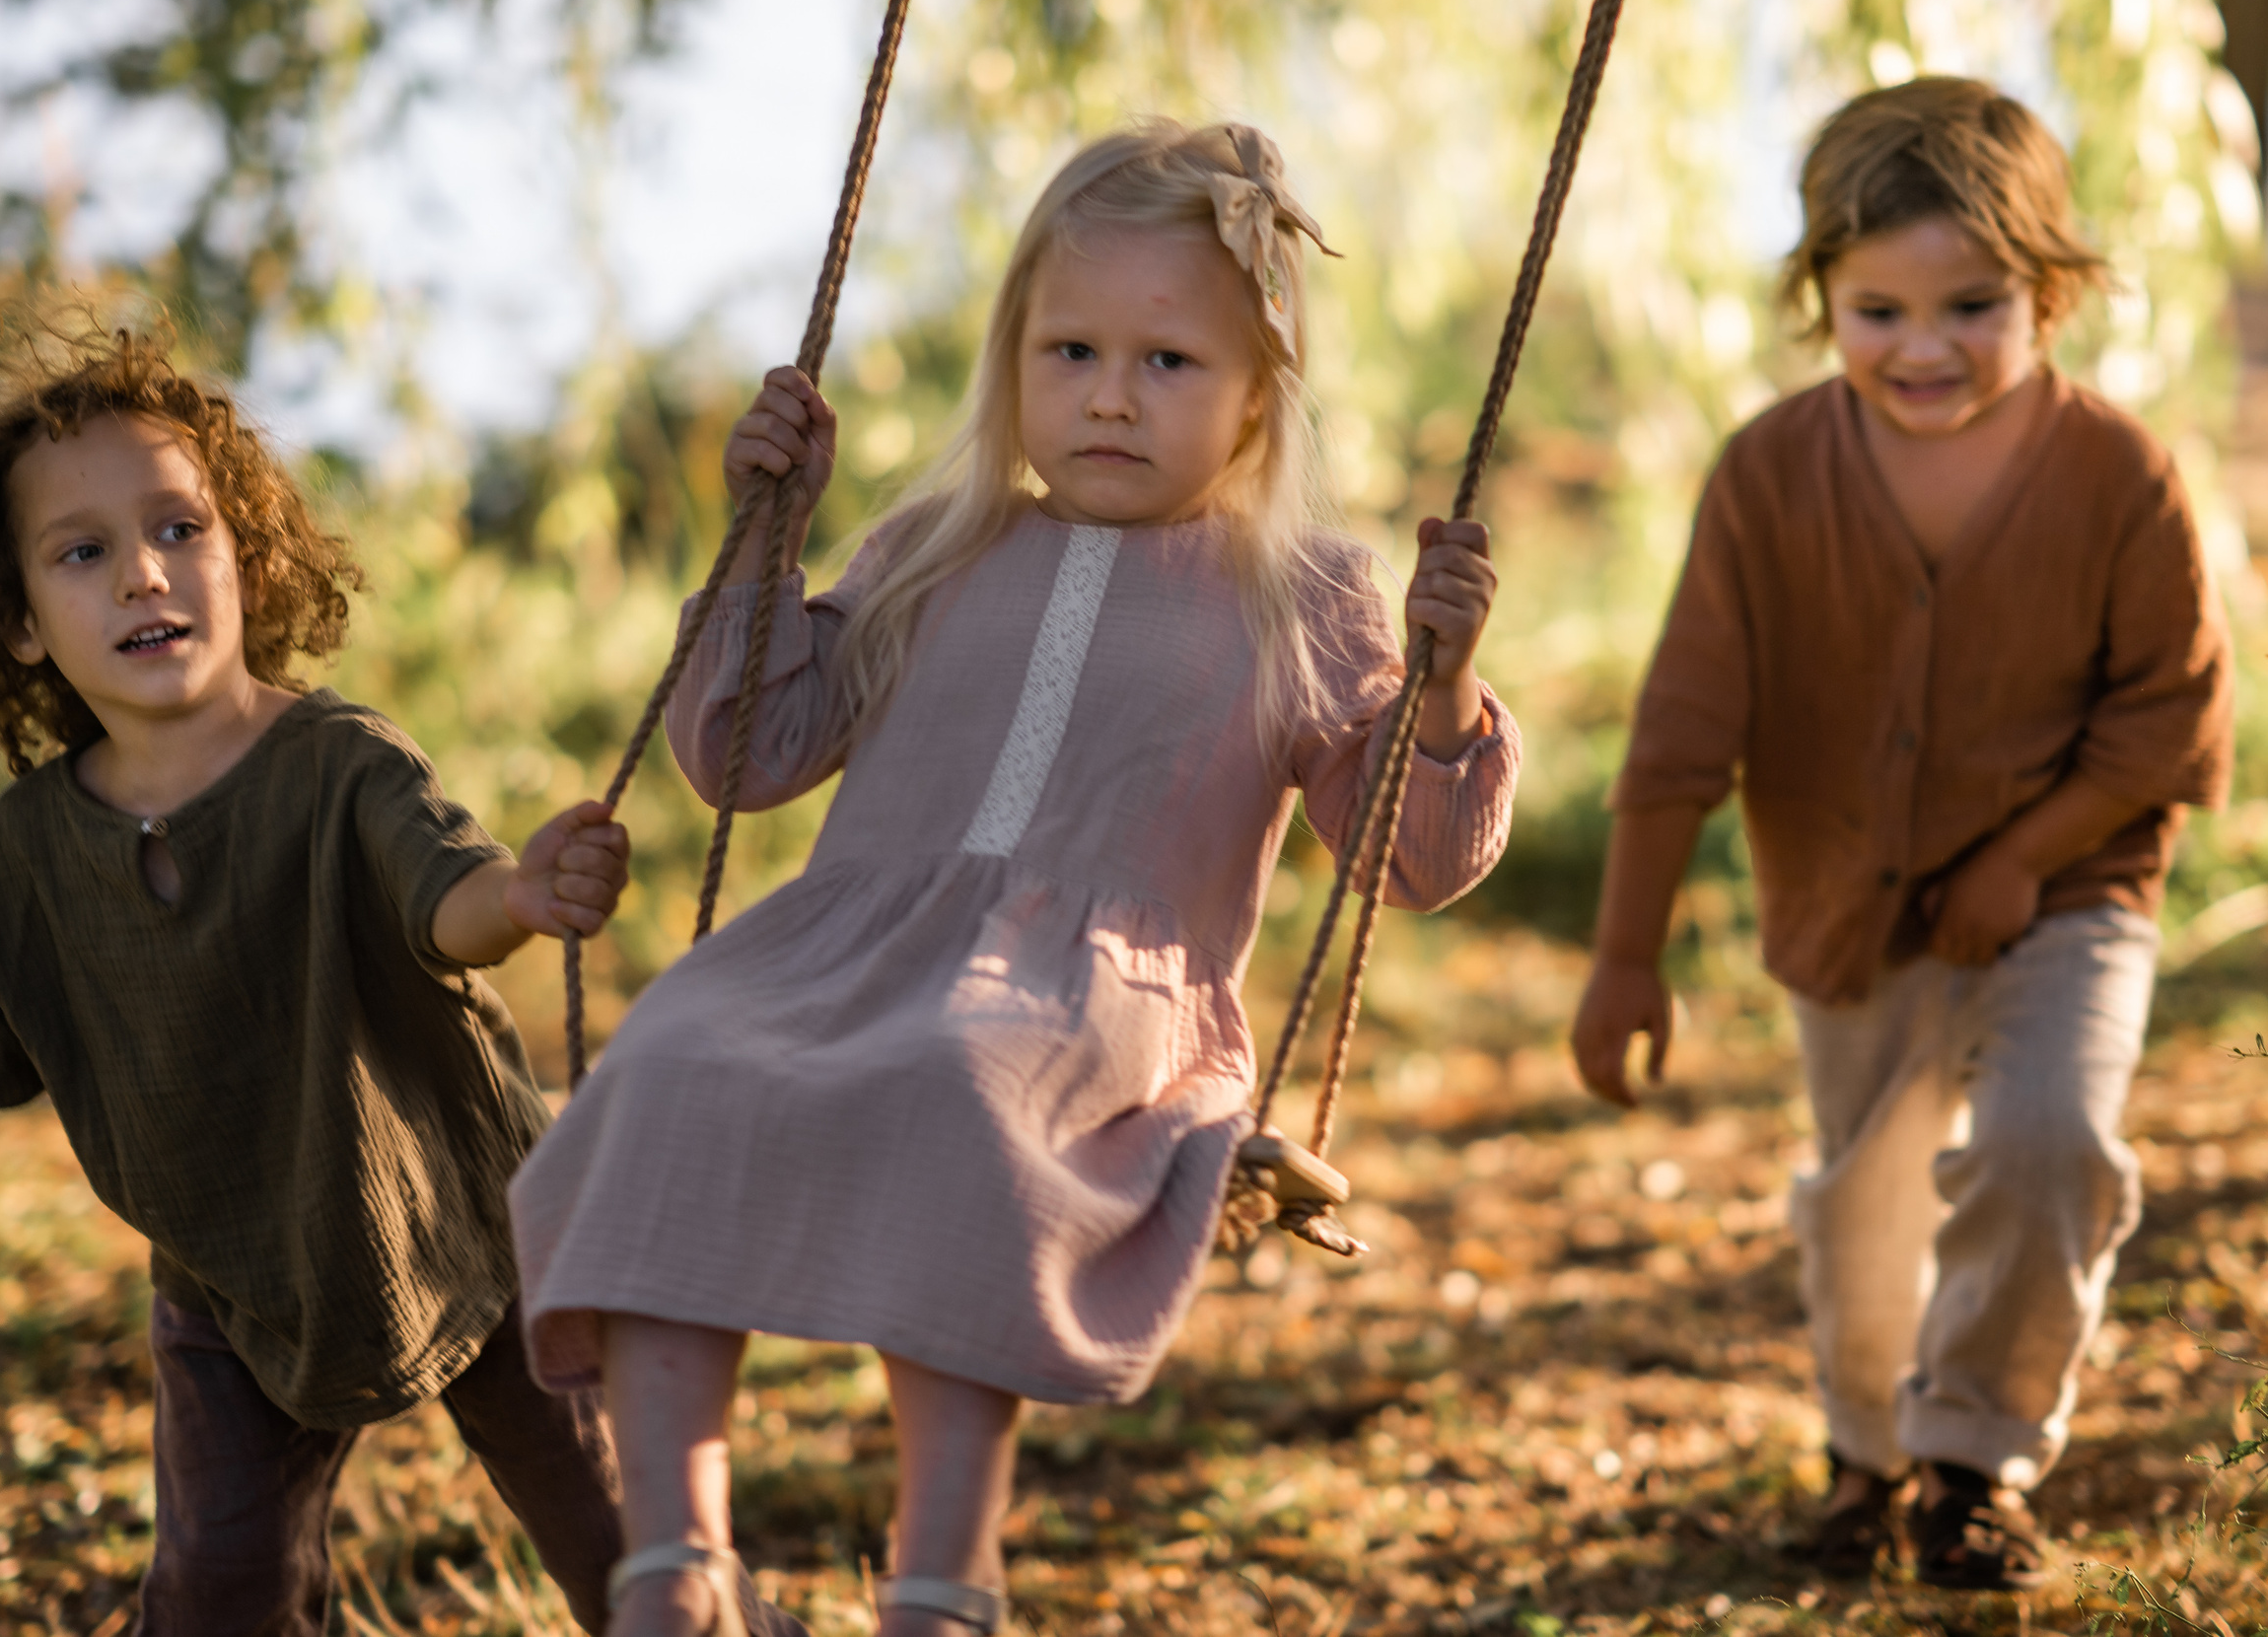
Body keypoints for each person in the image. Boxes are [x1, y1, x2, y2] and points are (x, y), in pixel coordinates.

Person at [510, 120, 1521, 1637]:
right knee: (668, 1062)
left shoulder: (1300, 593)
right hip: (845, 948)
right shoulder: (939, 541)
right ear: (1014, 363)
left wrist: (1440, 696)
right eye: (1070, 351)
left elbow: (1411, 857)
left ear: (1259, 398)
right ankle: (678, 1566)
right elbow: (743, 751)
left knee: (964, 1091)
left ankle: (943, 1580)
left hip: (1091, 995)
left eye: (1167, 362)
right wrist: (762, 542)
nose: (1109, 394)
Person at [0, 323, 792, 1637]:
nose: (143, 575)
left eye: (180, 529)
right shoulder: (25, 855)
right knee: (223, 1591)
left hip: (478, 1226)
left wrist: (519, 896)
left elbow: (439, 896)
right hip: (231, 1279)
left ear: (246, 552)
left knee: (619, 1530)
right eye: (82, 552)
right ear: (15, 621)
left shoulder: (338, 761)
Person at [1570, 77, 2234, 1590]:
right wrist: (1624, 959)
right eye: (1878, 310)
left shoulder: (2119, 475)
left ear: (2051, 293)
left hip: (2071, 890)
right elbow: (1683, 729)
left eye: (1972, 306)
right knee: (1864, 1198)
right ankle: (1868, 1457)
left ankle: (1975, 1464)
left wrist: (2022, 857)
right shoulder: (1768, 477)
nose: (1923, 348)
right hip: (1841, 902)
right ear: (1820, 300)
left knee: (2045, 1142)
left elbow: (2169, 717)